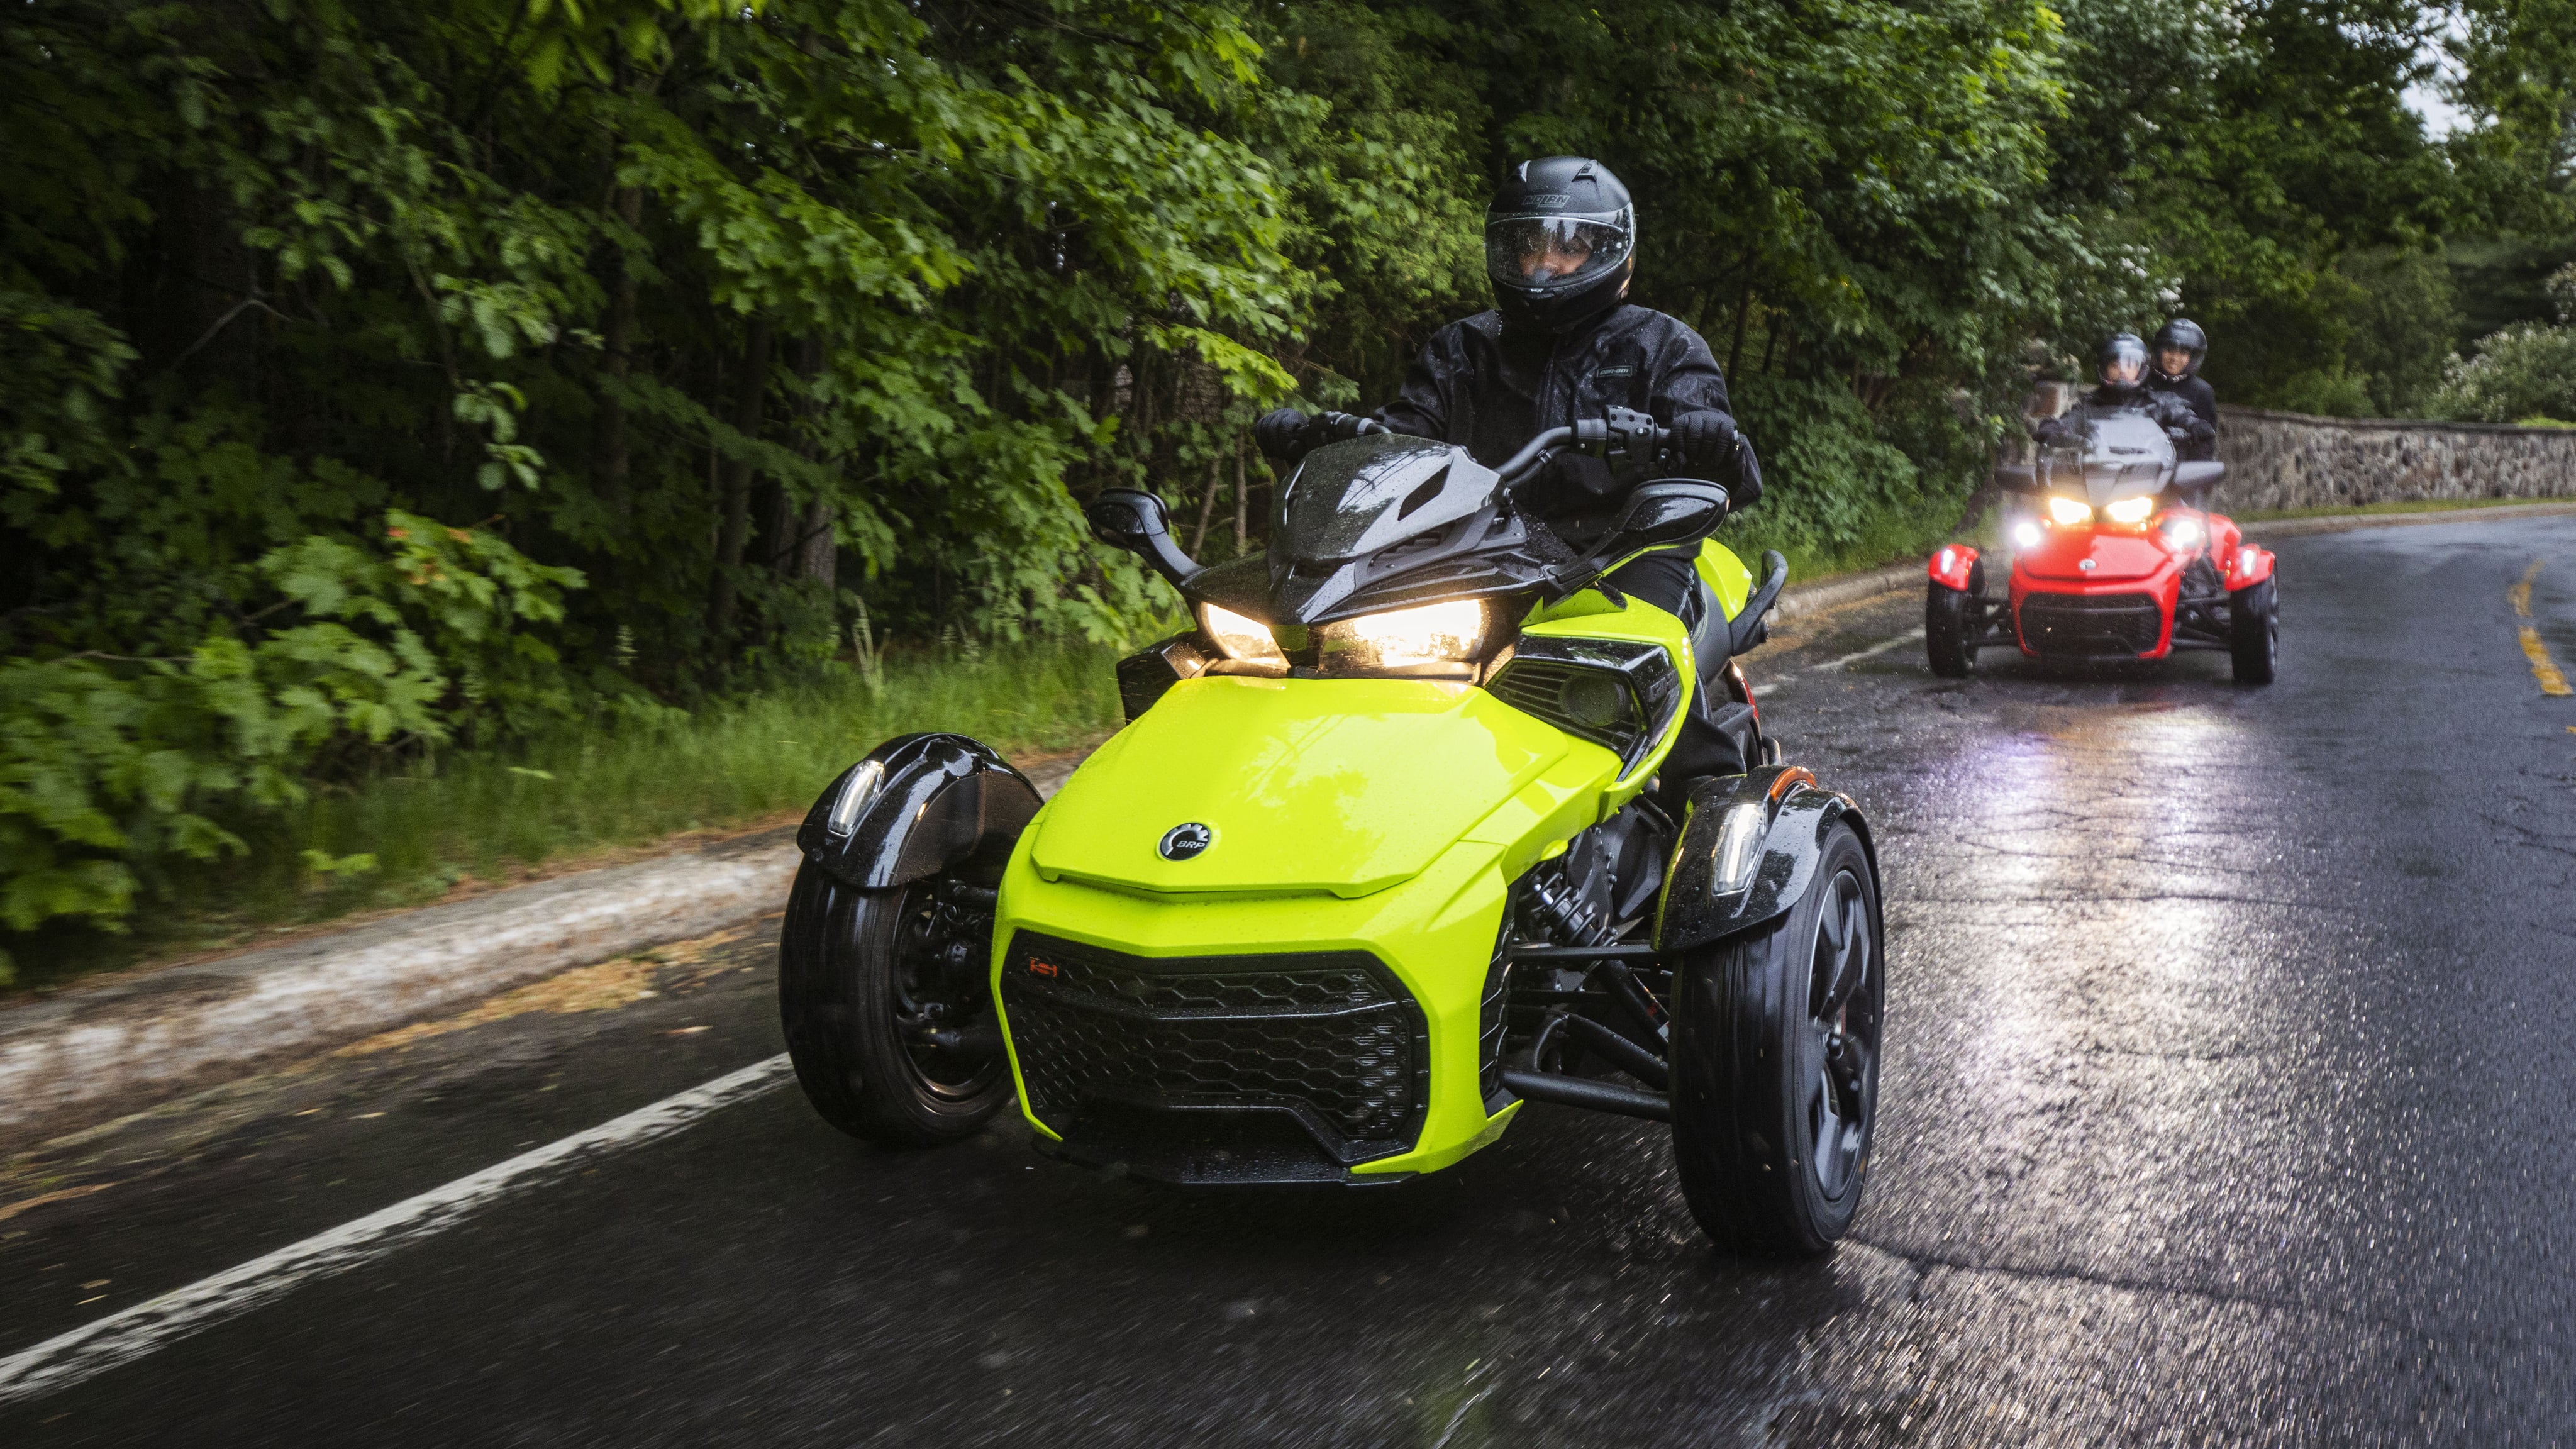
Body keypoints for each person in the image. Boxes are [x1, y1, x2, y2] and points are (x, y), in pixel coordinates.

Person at [1255, 155, 1761, 788]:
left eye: (1570, 246)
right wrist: (1321, 440)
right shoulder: (1462, 346)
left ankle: (1721, 821)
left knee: (1635, 680)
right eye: (1526, 246)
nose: (1544, 263)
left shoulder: (1660, 343)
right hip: (1479, 546)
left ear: (1610, 250)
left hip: (1621, 549)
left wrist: (1708, 438)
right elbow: (1402, 439)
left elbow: (1732, 468)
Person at [2035, 333, 2213, 456]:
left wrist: (2195, 424)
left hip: (2150, 479)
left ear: (2141, 369)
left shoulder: (2160, 402)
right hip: (2096, 475)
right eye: (2115, 365)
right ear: (2104, 369)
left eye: (2130, 365)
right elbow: (2069, 421)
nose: (2122, 370)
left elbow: (2181, 415)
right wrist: (2053, 428)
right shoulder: (2089, 404)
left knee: (2180, 510)